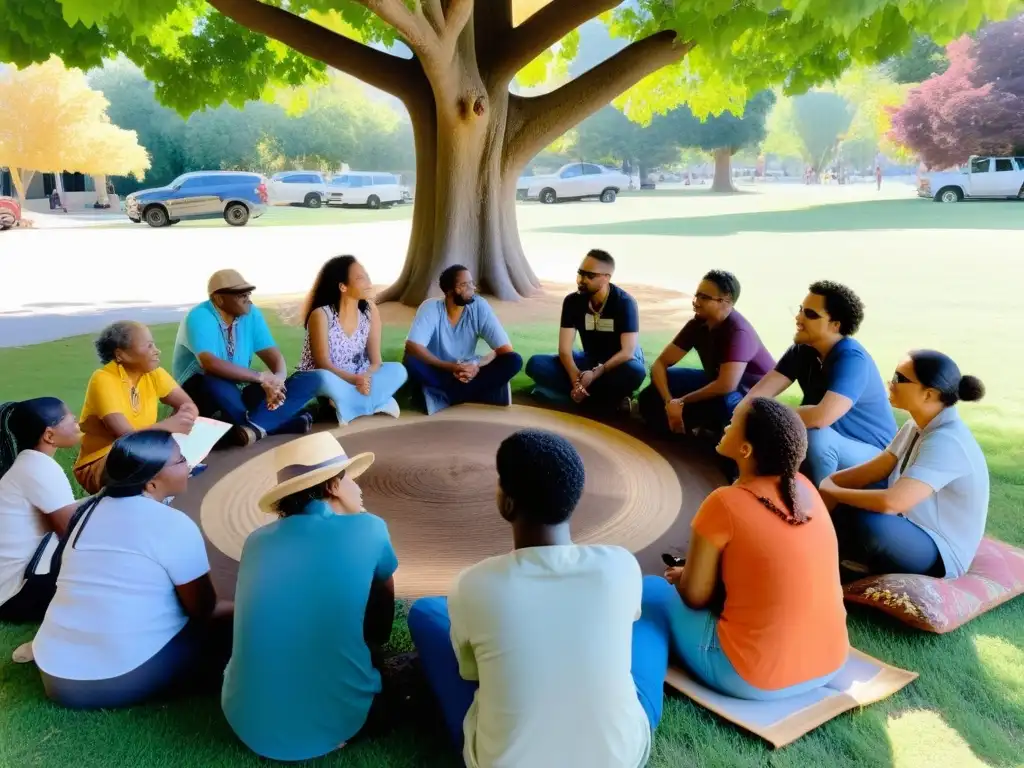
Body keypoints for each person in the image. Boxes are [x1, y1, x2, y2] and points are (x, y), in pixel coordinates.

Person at [407, 429, 669, 768]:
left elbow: (470, 674)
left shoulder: (474, 584)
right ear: (573, 496)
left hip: (503, 761)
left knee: (427, 611)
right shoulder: (619, 565)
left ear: (508, 502)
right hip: (619, 757)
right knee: (655, 596)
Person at [646, 398, 849, 700]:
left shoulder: (724, 502)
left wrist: (685, 576)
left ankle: (637, 689)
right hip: (831, 663)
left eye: (733, 422)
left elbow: (695, 596)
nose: (726, 426)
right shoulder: (805, 487)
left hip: (752, 676)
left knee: (651, 590)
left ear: (745, 450)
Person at [222, 432, 399, 762]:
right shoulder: (370, 527)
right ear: (332, 486)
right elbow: (384, 587)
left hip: (245, 716)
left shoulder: (257, 539)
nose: (358, 488)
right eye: (349, 479)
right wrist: (376, 642)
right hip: (339, 717)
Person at [32, 431, 232, 709]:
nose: (188, 465)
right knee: (230, 632)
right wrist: (249, 608)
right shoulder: (171, 524)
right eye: (180, 460)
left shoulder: (86, 512)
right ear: (151, 483)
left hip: (54, 673)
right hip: (116, 679)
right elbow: (203, 609)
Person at [821, 351, 989, 579]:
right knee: (850, 508)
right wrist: (827, 483)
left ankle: (849, 565)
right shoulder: (916, 424)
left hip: (940, 550)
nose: (890, 383)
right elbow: (874, 470)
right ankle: (838, 558)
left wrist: (835, 493)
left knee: (865, 524)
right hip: (908, 524)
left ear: (928, 394)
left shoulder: (947, 440)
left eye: (900, 379)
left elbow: (892, 502)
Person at [739, 281, 897, 485]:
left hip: (873, 453)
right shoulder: (803, 349)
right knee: (752, 416)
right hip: (832, 442)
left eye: (811, 314)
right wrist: (744, 414)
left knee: (813, 436)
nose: (799, 318)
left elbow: (821, 416)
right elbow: (758, 394)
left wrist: (764, 416)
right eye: (801, 310)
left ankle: (820, 510)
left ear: (835, 325)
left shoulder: (852, 358)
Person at [171, 269, 319, 446]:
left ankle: (251, 427)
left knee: (311, 379)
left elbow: (273, 355)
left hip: (237, 385)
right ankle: (273, 424)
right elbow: (210, 364)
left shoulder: (251, 313)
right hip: (199, 390)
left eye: (248, 293)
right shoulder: (199, 316)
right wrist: (261, 377)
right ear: (219, 298)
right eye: (240, 294)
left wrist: (277, 381)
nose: (247, 298)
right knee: (217, 385)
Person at [638, 270, 774, 441]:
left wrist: (682, 402)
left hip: (747, 393)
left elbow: (727, 385)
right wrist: (669, 402)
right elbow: (660, 364)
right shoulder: (698, 324)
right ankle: (693, 425)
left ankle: (719, 434)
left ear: (726, 301)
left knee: (731, 410)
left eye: (704, 297)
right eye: (696, 295)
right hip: (716, 381)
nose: (696, 302)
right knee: (656, 390)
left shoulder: (738, 332)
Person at [74, 321, 198, 494]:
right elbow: (126, 437)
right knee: (168, 464)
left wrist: (180, 421)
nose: (156, 350)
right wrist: (168, 427)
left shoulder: (153, 373)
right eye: (148, 346)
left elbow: (188, 406)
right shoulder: (103, 379)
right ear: (121, 354)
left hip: (142, 451)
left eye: (153, 344)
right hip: (105, 461)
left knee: (177, 462)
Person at [525, 250, 646, 412]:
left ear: (606, 277)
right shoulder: (572, 301)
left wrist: (595, 374)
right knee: (536, 364)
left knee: (635, 372)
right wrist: (576, 379)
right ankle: (609, 401)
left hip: (618, 364)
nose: (582, 280)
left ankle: (575, 398)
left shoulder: (624, 303)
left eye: (590, 276)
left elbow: (627, 352)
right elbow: (564, 350)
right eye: (580, 273)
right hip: (589, 359)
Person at [296, 256, 407, 424]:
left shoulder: (370, 311)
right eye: (360, 278)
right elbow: (322, 364)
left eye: (366, 275)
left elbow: (376, 361)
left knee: (399, 371)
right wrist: (354, 381)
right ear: (343, 286)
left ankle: (348, 406)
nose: (368, 281)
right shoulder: (321, 315)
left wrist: (365, 380)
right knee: (324, 379)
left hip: (359, 378)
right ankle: (373, 403)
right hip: (331, 379)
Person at [0, 398, 81, 624]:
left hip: (16, 588)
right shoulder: (39, 468)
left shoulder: (30, 464)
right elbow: (73, 533)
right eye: (71, 421)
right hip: (17, 597)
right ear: (49, 435)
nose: (78, 425)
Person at [403, 265, 523, 415]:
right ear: (449, 291)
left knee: (513, 360)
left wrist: (476, 366)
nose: (471, 288)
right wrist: (449, 367)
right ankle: (476, 393)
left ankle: (444, 396)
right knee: (411, 361)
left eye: (471, 283)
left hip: (468, 372)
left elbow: (504, 349)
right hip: (438, 369)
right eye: (464, 285)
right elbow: (412, 346)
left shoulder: (479, 306)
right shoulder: (430, 308)